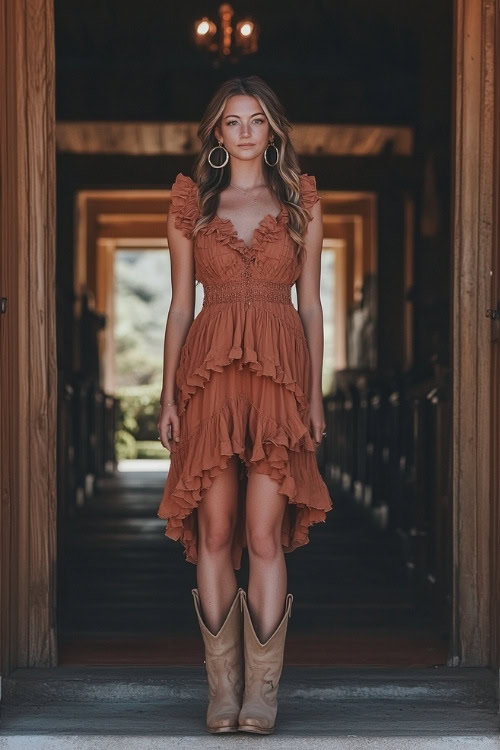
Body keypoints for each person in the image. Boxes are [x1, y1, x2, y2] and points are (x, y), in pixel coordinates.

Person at [157, 75, 333, 734]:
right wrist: (168, 393)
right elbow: (179, 307)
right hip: (209, 377)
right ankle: (222, 690)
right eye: (232, 122)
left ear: (272, 129)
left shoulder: (300, 203)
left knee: (263, 532)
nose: (245, 132)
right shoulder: (192, 208)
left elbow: (312, 306)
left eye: (255, 120)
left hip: (278, 376)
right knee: (217, 531)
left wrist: (314, 394)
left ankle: (262, 694)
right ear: (217, 134)